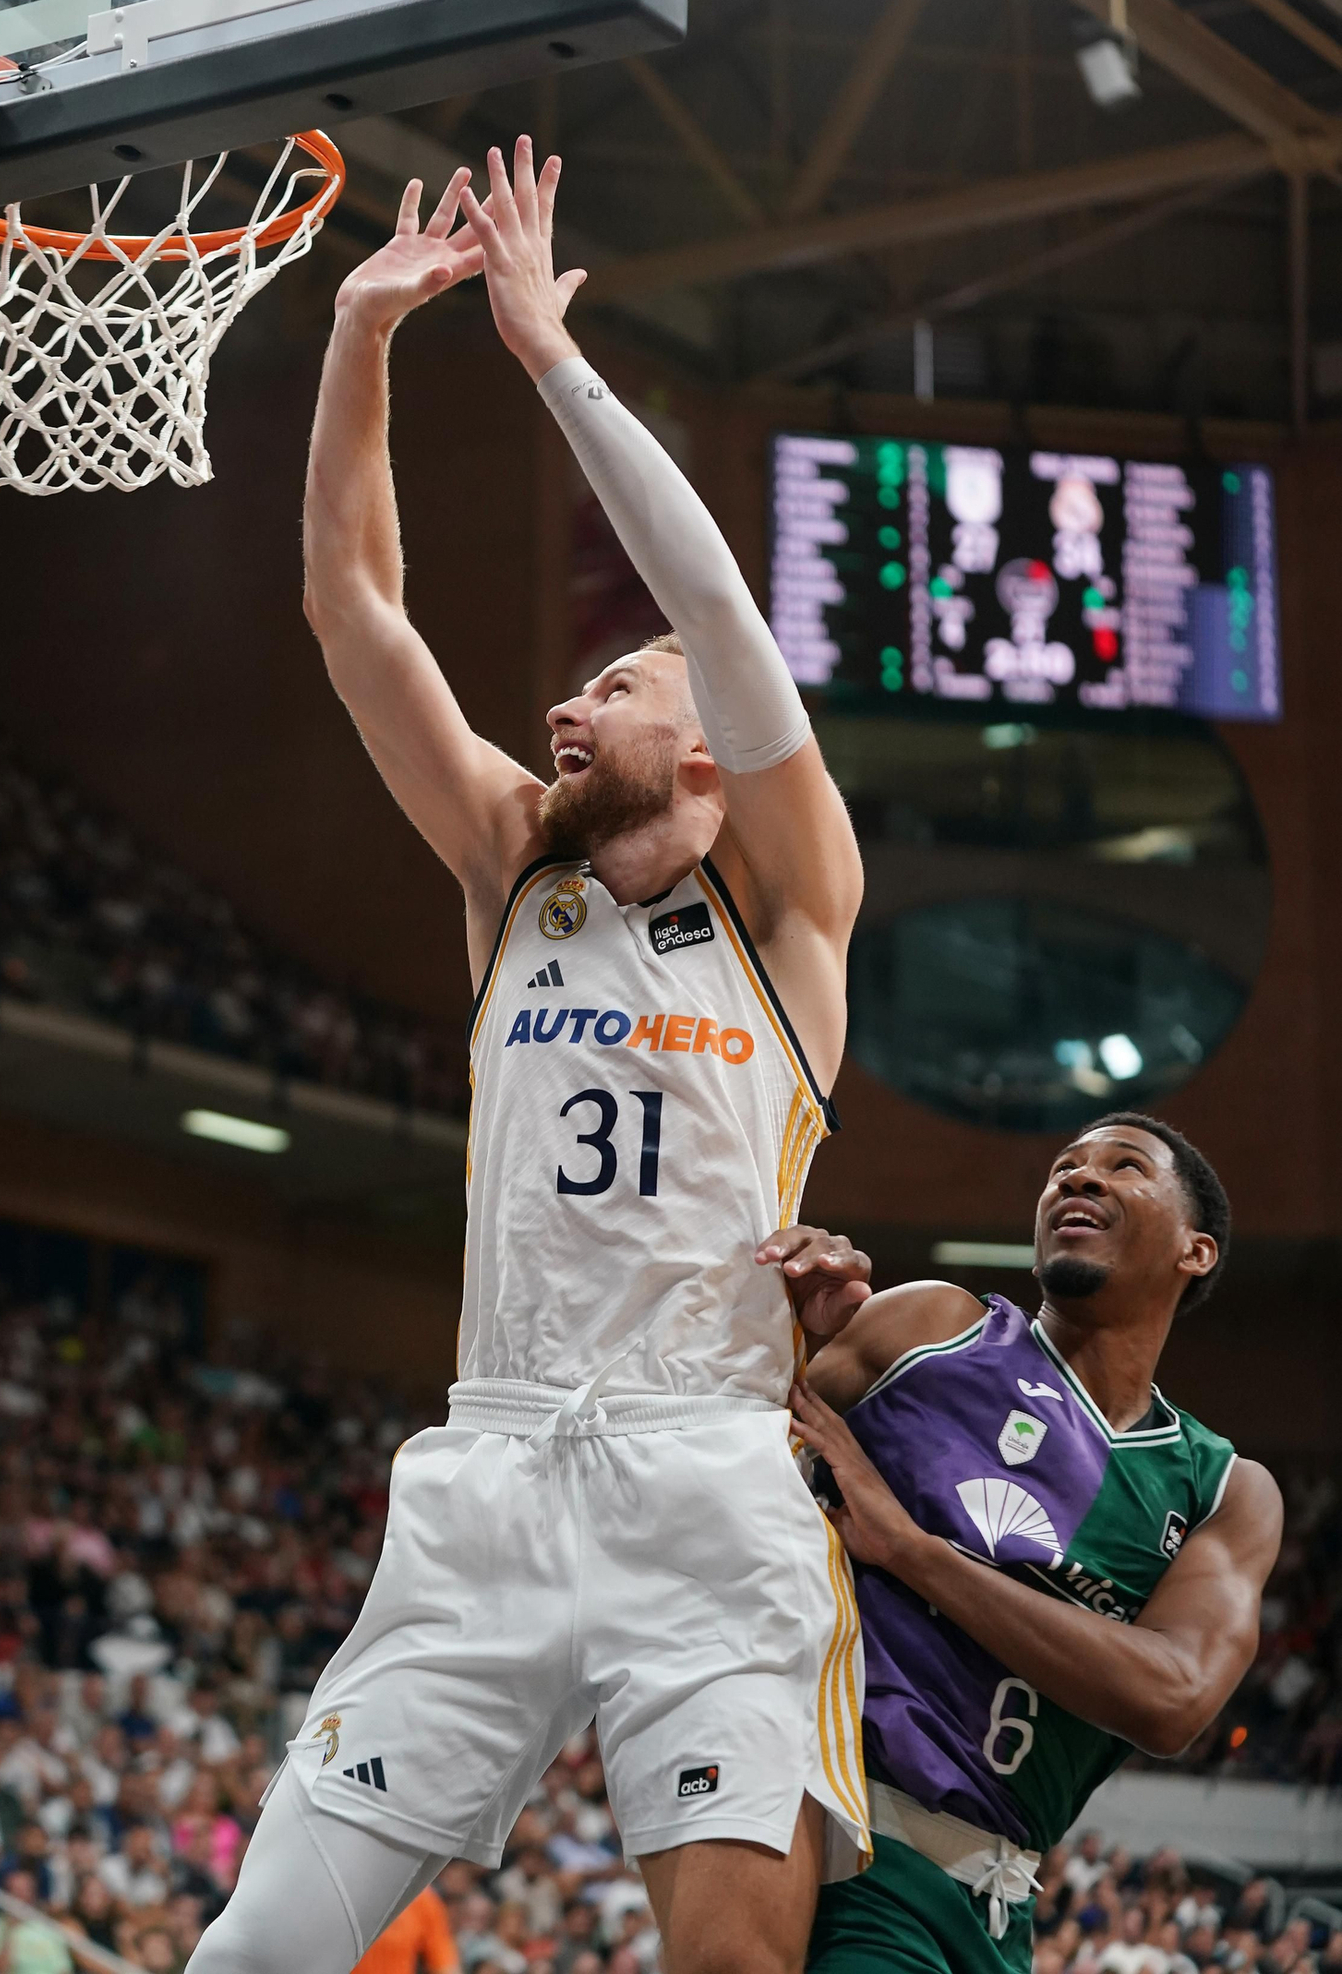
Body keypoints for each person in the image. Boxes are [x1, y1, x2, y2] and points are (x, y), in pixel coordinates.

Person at [188, 141, 870, 1974]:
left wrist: (549, 360)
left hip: (709, 1482)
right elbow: (356, 607)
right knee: (252, 1957)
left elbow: (721, 614)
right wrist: (358, 337)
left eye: (611, 690)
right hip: (489, 1476)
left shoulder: (794, 901)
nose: (563, 707)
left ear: (710, 752)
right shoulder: (514, 870)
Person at [761, 1113, 1282, 1974]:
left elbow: (1173, 1699)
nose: (1078, 1179)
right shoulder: (929, 1331)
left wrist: (915, 1552)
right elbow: (719, 1451)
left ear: (1198, 1251)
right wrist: (768, 1330)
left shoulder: (1223, 1486)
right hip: (849, 1843)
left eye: (1123, 1167)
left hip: (1001, 1907)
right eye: (1064, 1167)